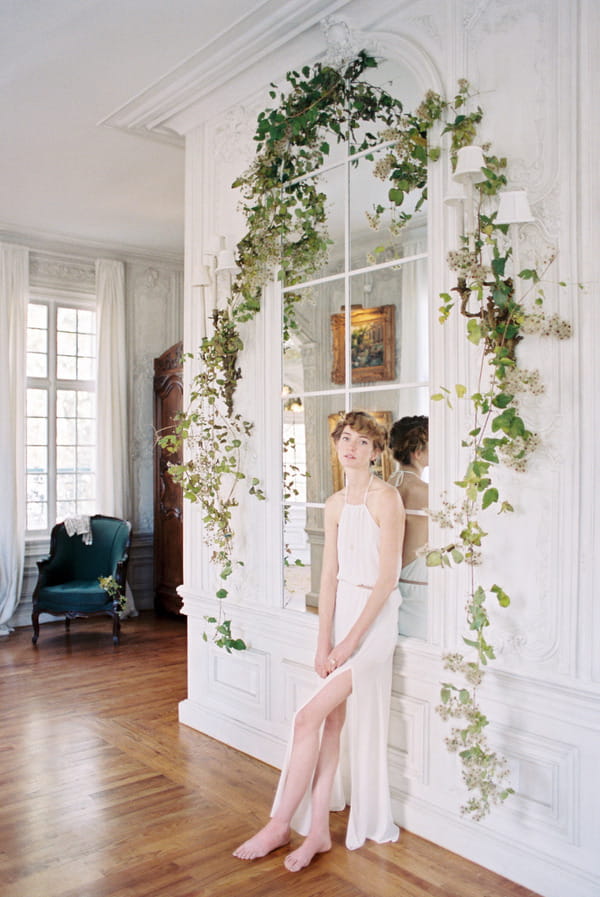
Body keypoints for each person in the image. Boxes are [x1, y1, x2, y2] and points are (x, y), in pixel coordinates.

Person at [233, 411, 404, 872]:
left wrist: (348, 643)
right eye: (346, 438)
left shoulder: (387, 499)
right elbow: (327, 577)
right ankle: (318, 835)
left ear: (376, 451)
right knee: (328, 724)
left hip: (374, 622)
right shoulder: (332, 504)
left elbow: (387, 579)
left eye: (363, 442)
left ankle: (279, 824)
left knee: (306, 717)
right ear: (337, 444)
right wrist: (322, 640)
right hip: (343, 613)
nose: (351, 447)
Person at [389, 415, 429, 640]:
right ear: (417, 452)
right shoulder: (425, 491)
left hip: (393, 583)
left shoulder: (386, 484)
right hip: (419, 589)